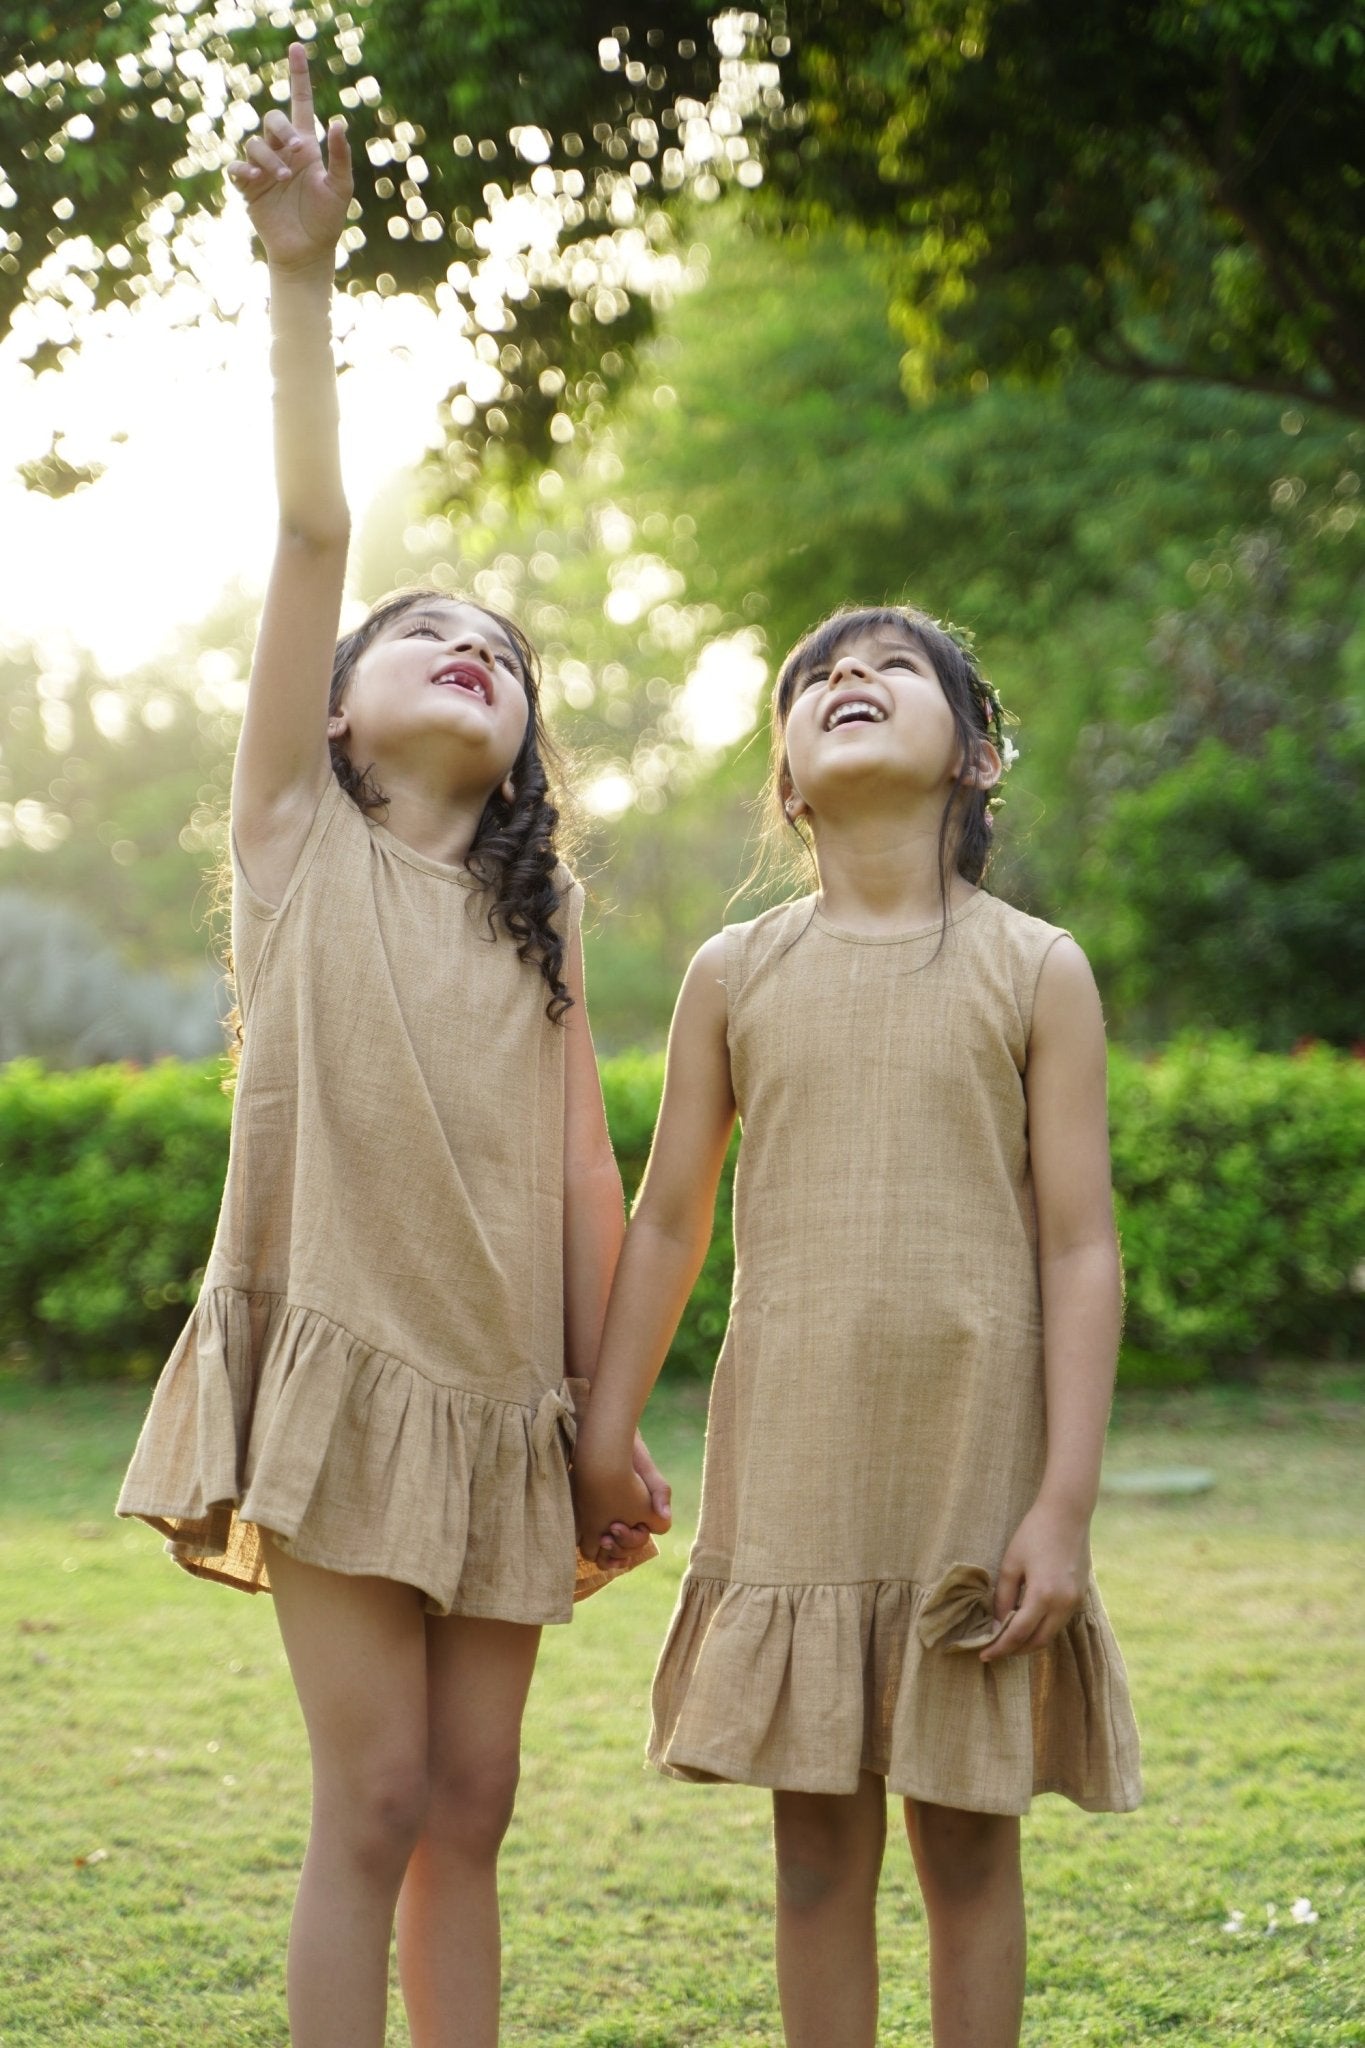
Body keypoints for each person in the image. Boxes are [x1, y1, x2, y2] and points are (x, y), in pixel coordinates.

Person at [117, 45, 663, 2048]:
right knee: (367, 1796)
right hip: (339, 1369)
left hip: (501, 1392)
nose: (475, 652)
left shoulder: (545, 916)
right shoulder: (292, 840)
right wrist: (300, 277)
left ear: (526, 746)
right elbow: (315, 531)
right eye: (428, 638)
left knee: (476, 1804)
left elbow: (591, 1169)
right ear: (334, 715)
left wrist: (600, 1413)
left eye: (505, 657)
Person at [572, 604, 1141, 2048]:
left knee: (965, 1843)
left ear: (978, 756)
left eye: (895, 669)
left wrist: (1061, 1505)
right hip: (800, 1468)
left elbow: (1078, 1246)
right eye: (818, 675)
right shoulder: (733, 973)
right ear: (783, 777)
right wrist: (605, 1425)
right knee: (815, 1855)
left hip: (972, 1467)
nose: (850, 678)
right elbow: (667, 1220)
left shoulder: (1035, 967)